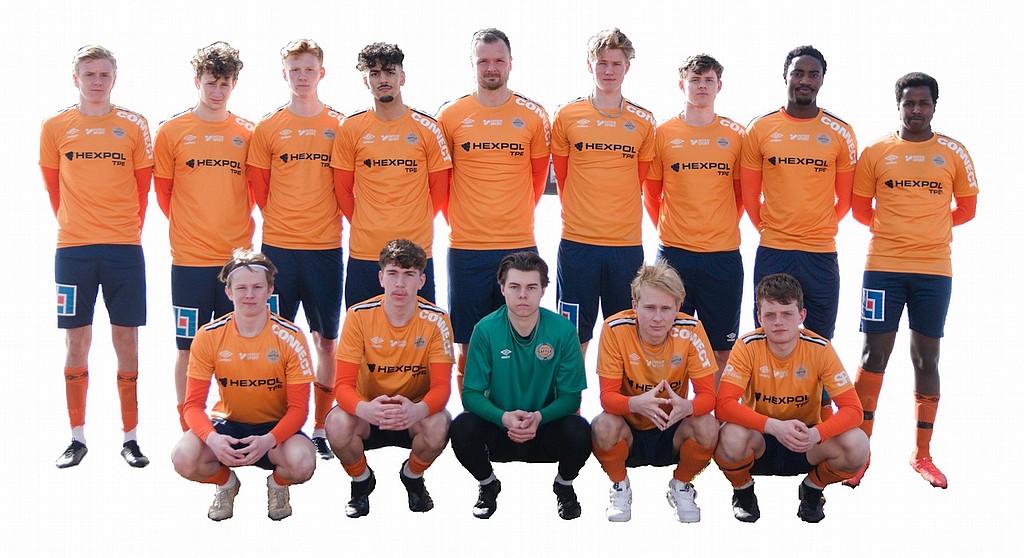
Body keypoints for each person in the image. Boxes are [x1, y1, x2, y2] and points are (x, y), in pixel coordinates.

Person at [843, 72, 978, 489]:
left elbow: (967, 209)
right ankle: (860, 452)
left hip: (933, 270)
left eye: (923, 103)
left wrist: (928, 229)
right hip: (883, 266)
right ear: (898, 105)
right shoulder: (876, 152)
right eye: (909, 103)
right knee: (873, 356)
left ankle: (922, 455)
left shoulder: (954, 152)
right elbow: (860, 209)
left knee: (926, 359)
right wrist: (898, 231)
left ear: (934, 105)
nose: (916, 110)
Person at [40, 45, 154, 469]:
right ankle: (76, 437)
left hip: (124, 249)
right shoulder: (55, 126)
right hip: (73, 250)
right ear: (76, 79)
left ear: (114, 78)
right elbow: (53, 188)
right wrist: (78, 226)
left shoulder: (135, 125)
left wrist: (123, 230)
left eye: (104, 75)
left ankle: (131, 438)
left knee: (127, 341)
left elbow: (144, 189)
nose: (97, 82)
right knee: (77, 341)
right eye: (89, 75)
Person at [740, 45, 857, 419]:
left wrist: (814, 229)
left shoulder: (840, 132)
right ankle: (760, 418)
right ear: (785, 76)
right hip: (774, 249)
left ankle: (818, 419)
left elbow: (844, 200)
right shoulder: (761, 128)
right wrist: (775, 229)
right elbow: (749, 196)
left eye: (813, 74)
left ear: (822, 80)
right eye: (798, 73)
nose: (805, 80)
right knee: (766, 334)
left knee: (820, 338)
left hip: (820, 253)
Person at [436, 28, 551, 393]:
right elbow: (442, 180)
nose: (491, 67)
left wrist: (513, 216)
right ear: (472, 65)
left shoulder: (533, 115)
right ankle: (473, 416)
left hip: (518, 245)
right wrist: (464, 221)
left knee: (523, 338)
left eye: (498, 60)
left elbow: (538, 179)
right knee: (469, 343)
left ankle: (519, 412)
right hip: (466, 247)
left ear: (510, 63)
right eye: (483, 61)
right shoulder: (450, 115)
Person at [247, 39, 344, 460]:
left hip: (325, 249)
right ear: (283, 74)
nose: (302, 77)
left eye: (309, 69)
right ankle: (277, 425)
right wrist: (286, 224)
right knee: (275, 339)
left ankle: (320, 428)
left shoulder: (340, 125)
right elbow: (260, 190)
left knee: (326, 341)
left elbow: (347, 184)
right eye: (294, 70)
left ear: (321, 73)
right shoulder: (268, 127)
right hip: (279, 251)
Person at [170, 250, 316, 522]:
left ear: (270, 290)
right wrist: (212, 439)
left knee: (302, 463)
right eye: (241, 288)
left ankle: (278, 485)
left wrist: (269, 440)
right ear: (228, 292)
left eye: (257, 287)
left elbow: (299, 410)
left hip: (275, 431)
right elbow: (192, 406)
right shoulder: (208, 336)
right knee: (183, 457)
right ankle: (226, 483)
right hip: (228, 425)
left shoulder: (292, 336)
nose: (249, 294)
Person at [154, 41, 255, 432]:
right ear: (197, 81)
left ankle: (235, 423)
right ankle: (189, 428)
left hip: (236, 263)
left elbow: (255, 190)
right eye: (211, 82)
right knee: (188, 349)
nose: (217, 90)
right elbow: (165, 195)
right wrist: (193, 227)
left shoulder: (247, 132)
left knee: (236, 349)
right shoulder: (172, 131)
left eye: (225, 83)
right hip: (190, 262)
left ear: (234, 85)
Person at [714, 273, 868, 523]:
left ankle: (813, 489)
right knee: (728, 435)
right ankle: (743, 492)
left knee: (858, 443)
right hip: (759, 440)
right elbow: (723, 406)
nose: (778, 322)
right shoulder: (747, 345)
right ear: (759, 317)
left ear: (801, 316)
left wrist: (816, 434)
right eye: (770, 315)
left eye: (787, 314)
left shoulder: (820, 348)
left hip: (805, 441)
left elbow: (853, 410)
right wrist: (774, 426)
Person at [449, 252, 590, 520]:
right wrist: (503, 417)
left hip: (544, 428)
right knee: (461, 427)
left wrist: (539, 417)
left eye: (531, 287)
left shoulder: (563, 330)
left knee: (580, 430)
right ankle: (488, 484)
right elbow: (471, 395)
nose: (523, 295)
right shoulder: (485, 329)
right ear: (502, 288)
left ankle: (564, 485)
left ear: (543, 290)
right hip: (500, 428)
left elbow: (572, 398)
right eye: (514, 287)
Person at [325, 239, 454, 518]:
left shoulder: (437, 319)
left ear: (421, 281)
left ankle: (412, 477)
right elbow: (342, 386)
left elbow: (442, 388)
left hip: (412, 414)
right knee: (335, 423)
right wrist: (364, 408)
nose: (400, 284)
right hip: (369, 413)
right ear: (381, 278)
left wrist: (418, 409)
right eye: (393, 274)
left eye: (409, 275)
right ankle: (361, 481)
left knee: (440, 424)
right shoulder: (358, 316)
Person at [550, 28, 656, 355]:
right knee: (571, 337)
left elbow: (639, 179)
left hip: (625, 246)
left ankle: (620, 392)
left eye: (616, 64)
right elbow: (562, 178)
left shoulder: (644, 121)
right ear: (589, 65)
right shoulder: (567, 115)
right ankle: (572, 393)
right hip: (578, 243)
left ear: (627, 67)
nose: (609, 71)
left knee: (625, 336)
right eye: (602, 63)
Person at [591, 261, 718, 523]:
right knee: (602, 425)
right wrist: (636, 403)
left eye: (665, 309)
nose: (657, 317)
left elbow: (708, 397)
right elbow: (607, 398)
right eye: (649, 308)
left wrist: (688, 407)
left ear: (678, 308)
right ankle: (619, 485)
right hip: (630, 428)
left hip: (672, 427)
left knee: (707, 425)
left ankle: (681, 485)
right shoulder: (615, 328)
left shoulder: (692, 329)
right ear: (635, 306)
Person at [644, 53, 745, 382]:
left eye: (709, 80)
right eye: (695, 80)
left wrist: (717, 227)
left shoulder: (736, 134)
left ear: (719, 86)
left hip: (722, 256)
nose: (702, 86)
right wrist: (673, 230)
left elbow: (740, 195)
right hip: (675, 255)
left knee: (722, 350)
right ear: (681, 84)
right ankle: (671, 412)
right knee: (670, 344)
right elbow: (652, 194)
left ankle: (715, 412)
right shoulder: (663, 133)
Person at [333, 42, 451, 308]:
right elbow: (342, 190)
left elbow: (439, 190)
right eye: (374, 73)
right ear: (366, 81)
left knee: (419, 328)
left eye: (389, 72)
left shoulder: (427, 127)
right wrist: (367, 222)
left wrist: (414, 220)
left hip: (416, 250)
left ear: (402, 76)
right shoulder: (350, 127)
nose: (383, 79)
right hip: (366, 251)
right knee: (361, 329)